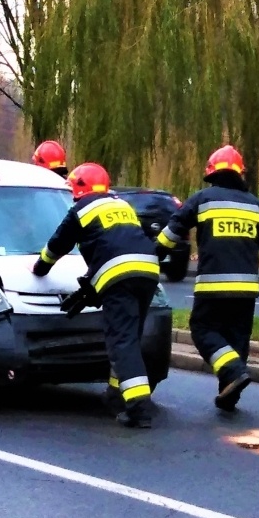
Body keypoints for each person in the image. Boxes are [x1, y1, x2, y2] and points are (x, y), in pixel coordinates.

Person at [157, 144, 259, 410]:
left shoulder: (202, 199)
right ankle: (231, 393)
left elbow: (173, 231)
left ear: (212, 173)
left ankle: (233, 374)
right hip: (246, 290)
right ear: (240, 173)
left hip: (212, 286)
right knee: (237, 338)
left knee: (203, 330)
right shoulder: (257, 207)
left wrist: (153, 254)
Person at [33, 162, 162, 428]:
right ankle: (116, 395)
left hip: (119, 277)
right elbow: (116, 242)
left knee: (121, 341)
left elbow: (58, 245)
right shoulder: (122, 206)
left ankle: (138, 407)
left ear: (79, 187)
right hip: (148, 271)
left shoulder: (80, 209)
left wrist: (40, 267)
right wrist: (92, 288)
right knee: (131, 337)